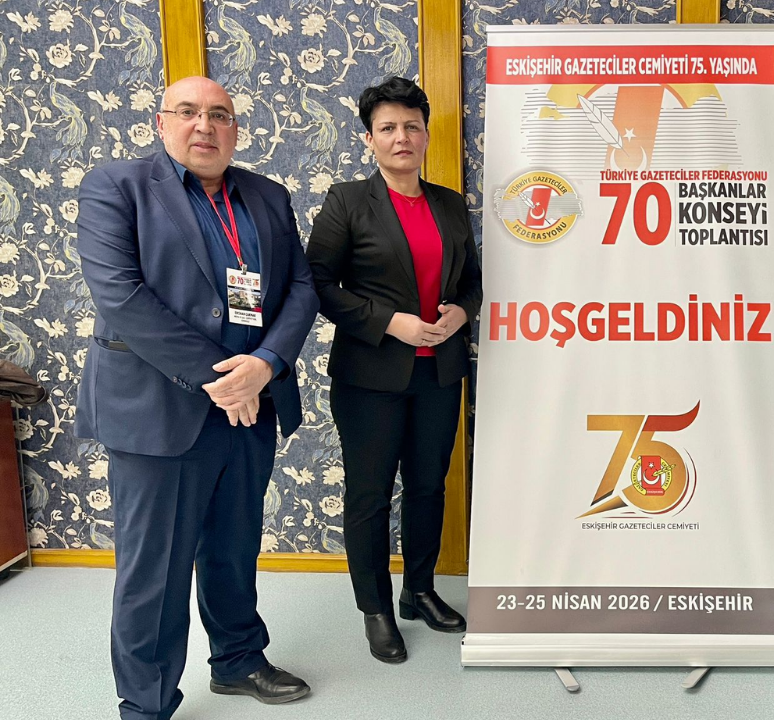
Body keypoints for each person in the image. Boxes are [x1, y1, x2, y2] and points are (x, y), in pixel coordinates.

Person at [76, 75, 319, 720]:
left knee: (234, 548)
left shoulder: (267, 195)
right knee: (154, 569)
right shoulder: (116, 187)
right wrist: (224, 378)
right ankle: (147, 704)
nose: (204, 126)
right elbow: (122, 297)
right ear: (162, 123)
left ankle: (238, 661)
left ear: (235, 129)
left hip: (251, 406)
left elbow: (301, 287)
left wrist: (266, 364)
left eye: (220, 114)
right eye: (188, 112)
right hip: (159, 411)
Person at [306, 76, 481, 664]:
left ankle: (418, 590)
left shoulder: (449, 204)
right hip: (370, 379)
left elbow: (473, 282)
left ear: (426, 135)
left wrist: (463, 312)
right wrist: (389, 322)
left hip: (440, 373)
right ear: (370, 139)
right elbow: (318, 284)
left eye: (411, 126)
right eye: (388, 128)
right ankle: (376, 610)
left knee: (429, 486)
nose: (401, 136)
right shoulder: (347, 202)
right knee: (371, 494)